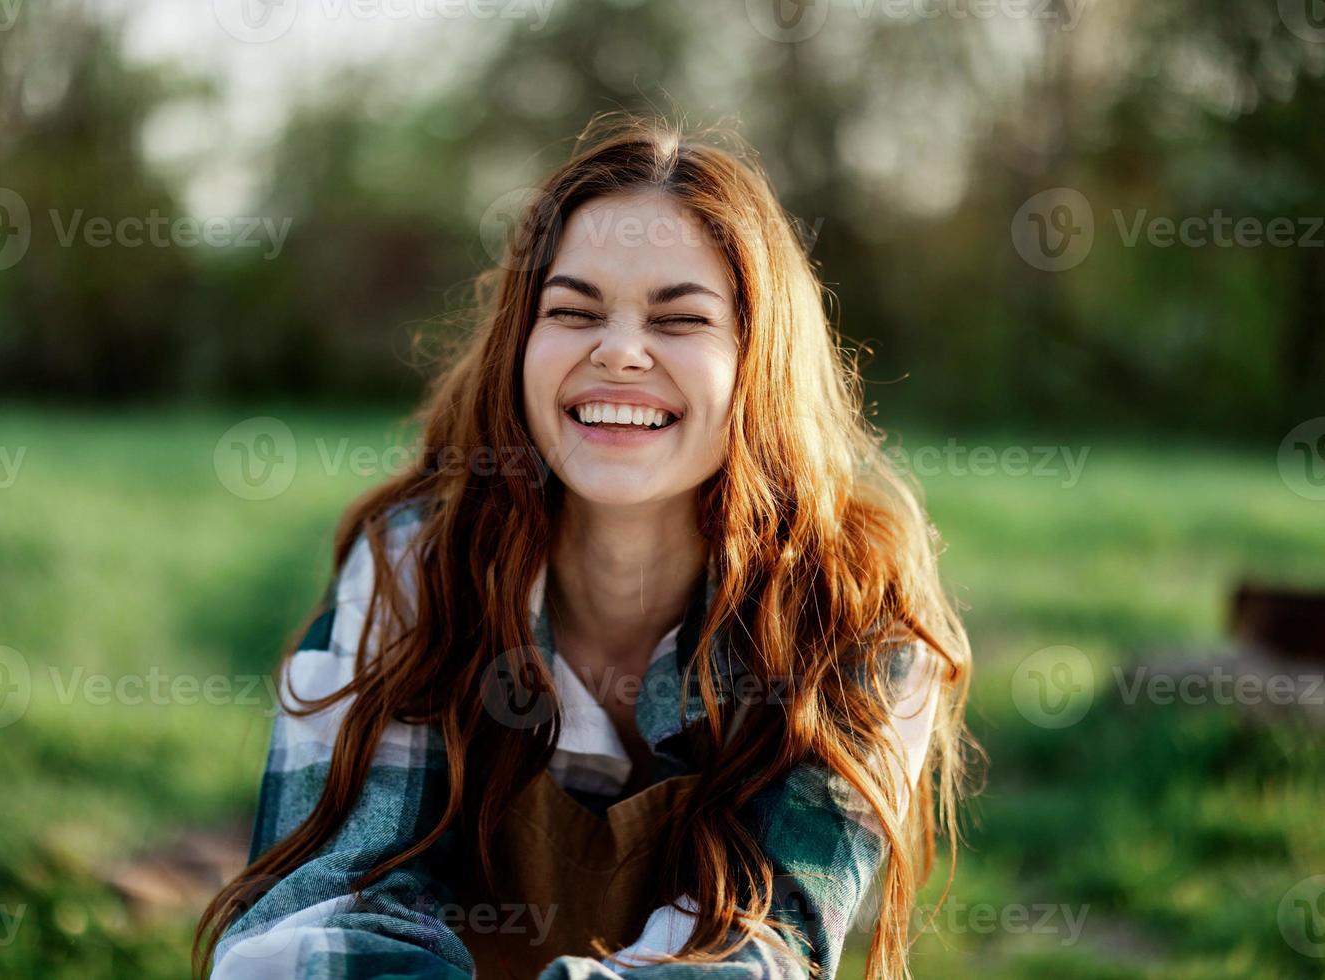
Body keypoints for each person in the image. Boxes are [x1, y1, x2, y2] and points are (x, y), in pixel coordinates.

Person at [195, 113, 974, 979]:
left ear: (760, 362)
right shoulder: (414, 569)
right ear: (520, 345)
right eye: (574, 311)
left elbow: (764, 954)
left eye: (680, 320)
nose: (620, 353)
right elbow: (318, 918)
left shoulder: (856, 618)